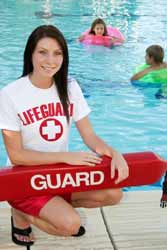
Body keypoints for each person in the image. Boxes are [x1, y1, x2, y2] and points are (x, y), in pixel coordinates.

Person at [0, 25, 129, 247]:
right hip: (24, 179)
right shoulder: (10, 95)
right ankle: (20, 213)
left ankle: (52, 204)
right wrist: (66, 158)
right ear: (30, 53)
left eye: (57, 53)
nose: (50, 60)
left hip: (59, 175)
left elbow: (89, 136)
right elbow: (17, 155)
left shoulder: (70, 87)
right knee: (70, 225)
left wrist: (114, 152)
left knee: (114, 194)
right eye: (42, 52)